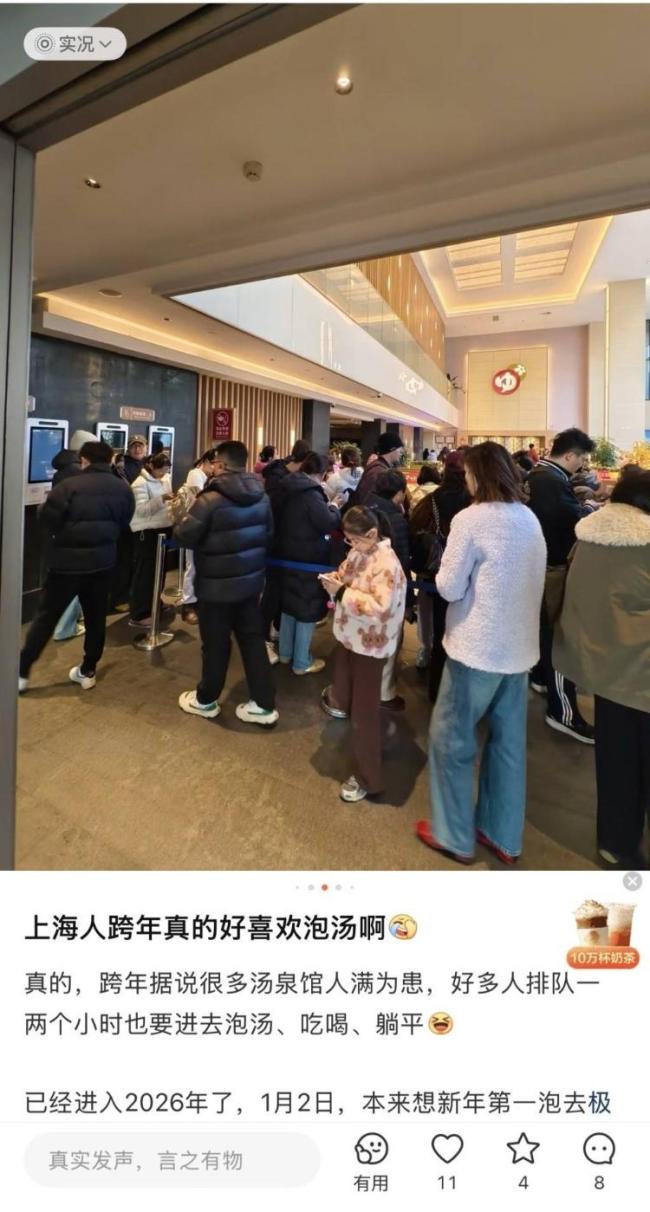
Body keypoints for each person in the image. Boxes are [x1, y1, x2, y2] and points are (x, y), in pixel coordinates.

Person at [416, 442, 546, 865]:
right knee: (508, 745)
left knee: (450, 740)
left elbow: (450, 586)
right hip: (519, 650)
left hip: (477, 649)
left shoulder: (470, 519)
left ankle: (452, 833)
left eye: (469, 473)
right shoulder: (528, 518)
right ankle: (502, 833)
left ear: (479, 475)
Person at [553, 471, 650, 868]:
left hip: (606, 672)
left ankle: (616, 841)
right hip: (643, 673)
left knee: (615, 762)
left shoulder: (588, 537)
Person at [174, 440, 278, 726]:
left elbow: (184, 535)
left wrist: (180, 516)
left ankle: (206, 700)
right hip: (251, 584)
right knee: (253, 641)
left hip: (215, 588)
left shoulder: (209, 499)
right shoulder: (262, 496)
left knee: (215, 645)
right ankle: (264, 705)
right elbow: (269, 536)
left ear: (220, 464)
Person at [19, 441, 135, 692]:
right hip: (102, 563)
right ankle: (88, 670)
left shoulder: (68, 486)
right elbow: (124, 521)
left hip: (65, 565)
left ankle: (22, 672)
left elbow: (47, 520)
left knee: (46, 618)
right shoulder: (123, 489)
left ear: (84, 460)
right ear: (110, 460)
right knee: (95, 618)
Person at [319, 506, 406, 802]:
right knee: (349, 701)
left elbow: (380, 608)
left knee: (364, 713)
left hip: (371, 645)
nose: (352, 545)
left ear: (372, 533)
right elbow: (346, 573)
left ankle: (368, 779)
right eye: (348, 540)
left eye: (355, 539)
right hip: (351, 639)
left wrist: (342, 593)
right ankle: (372, 743)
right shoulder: (360, 553)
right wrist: (335, 579)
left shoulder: (387, 564)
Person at [527, 427, 597, 743]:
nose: (582, 465)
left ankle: (542, 678)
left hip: (542, 566)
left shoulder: (542, 476)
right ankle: (563, 712)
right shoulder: (549, 481)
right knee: (559, 637)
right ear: (569, 455)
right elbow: (570, 520)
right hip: (552, 567)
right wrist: (589, 507)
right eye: (581, 459)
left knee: (547, 631)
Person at [274, 451, 340, 673]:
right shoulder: (311, 493)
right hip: (308, 556)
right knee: (306, 607)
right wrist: (334, 507)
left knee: (288, 605)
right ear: (321, 473)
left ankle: (285, 653)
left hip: (285, 555)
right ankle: (302, 662)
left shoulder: (286, 485)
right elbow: (326, 522)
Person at [365, 468, 414, 709]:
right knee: (389, 640)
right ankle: (384, 693)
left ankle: (363, 687)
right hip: (388, 593)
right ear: (398, 494)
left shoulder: (364, 509)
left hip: (364, 588)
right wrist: (409, 600)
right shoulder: (396, 519)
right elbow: (402, 561)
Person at [427, 450, 472, 699]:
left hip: (441, 568)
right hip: (468, 572)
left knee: (440, 631)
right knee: (464, 632)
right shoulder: (473, 500)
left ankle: (436, 688)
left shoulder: (435, 497)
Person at [129, 450, 175, 627]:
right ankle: (140, 613)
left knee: (159, 571)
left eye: (166, 470)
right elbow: (141, 510)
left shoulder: (166, 479)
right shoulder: (139, 484)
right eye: (161, 470)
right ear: (151, 466)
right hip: (146, 533)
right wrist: (162, 498)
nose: (163, 474)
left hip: (163, 529)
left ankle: (155, 603)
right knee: (145, 574)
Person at [178, 449, 219, 623]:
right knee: (193, 566)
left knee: (198, 565)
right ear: (207, 462)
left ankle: (197, 601)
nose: (216, 468)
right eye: (214, 463)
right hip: (195, 526)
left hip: (203, 527)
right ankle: (188, 604)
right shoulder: (196, 475)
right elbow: (199, 502)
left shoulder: (206, 477)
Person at [356, 432, 404, 503]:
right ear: (392, 449)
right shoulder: (378, 472)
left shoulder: (380, 468)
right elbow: (367, 501)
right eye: (400, 450)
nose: (401, 453)